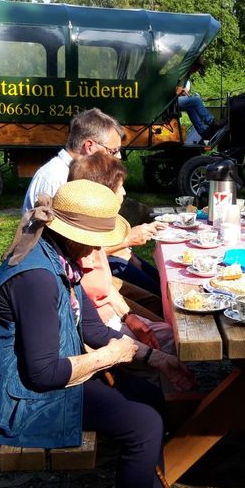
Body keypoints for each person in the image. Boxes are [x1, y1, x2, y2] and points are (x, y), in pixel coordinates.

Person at [0, 179, 194, 488]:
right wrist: (110, 358)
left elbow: (89, 326)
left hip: (52, 374)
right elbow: (44, 375)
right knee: (143, 424)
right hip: (20, 396)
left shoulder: (58, 256)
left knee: (148, 395)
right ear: (70, 235)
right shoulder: (36, 277)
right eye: (93, 243)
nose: (99, 253)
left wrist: (153, 357)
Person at [22, 108, 165, 299]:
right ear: (89, 146)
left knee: (160, 282)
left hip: (96, 262)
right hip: (74, 279)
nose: (119, 157)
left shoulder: (73, 172)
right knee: (158, 296)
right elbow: (72, 255)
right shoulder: (58, 181)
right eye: (113, 151)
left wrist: (124, 246)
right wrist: (127, 239)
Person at [68, 152, 176, 371]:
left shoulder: (92, 233)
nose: (125, 192)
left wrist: (130, 317)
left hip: (111, 314)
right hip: (100, 329)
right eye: (120, 187)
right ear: (105, 193)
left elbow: (106, 287)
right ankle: (165, 389)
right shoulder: (80, 246)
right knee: (172, 338)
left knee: (167, 324)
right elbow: (91, 319)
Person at [176, 60, 221, 143]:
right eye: (197, 67)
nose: (197, 70)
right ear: (192, 65)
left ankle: (203, 132)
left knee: (192, 104)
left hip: (176, 100)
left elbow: (182, 91)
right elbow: (176, 90)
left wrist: (186, 93)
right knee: (195, 100)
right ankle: (211, 121)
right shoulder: (181, 73)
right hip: (171, 102)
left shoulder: (187, 75)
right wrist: (182, 91)